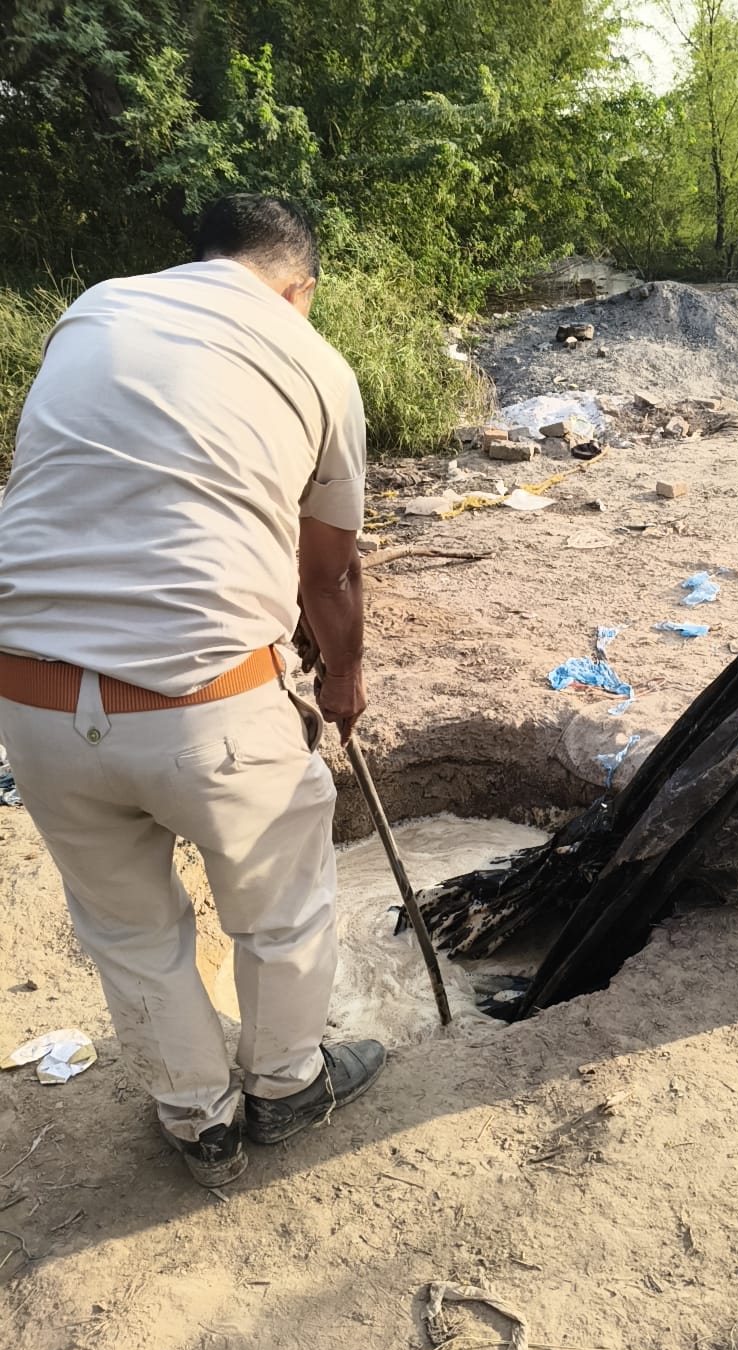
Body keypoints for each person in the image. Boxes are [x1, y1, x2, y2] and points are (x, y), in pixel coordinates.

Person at [0, 194, 386, 1187]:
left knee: (128, 928)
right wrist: (340, 678)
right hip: (202, 699)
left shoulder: (92, 312)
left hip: (30, 701)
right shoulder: (313, 361)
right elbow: (329, 573)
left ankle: (197, 1119)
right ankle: (288, 1087)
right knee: (280, 908)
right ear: (300, 287)